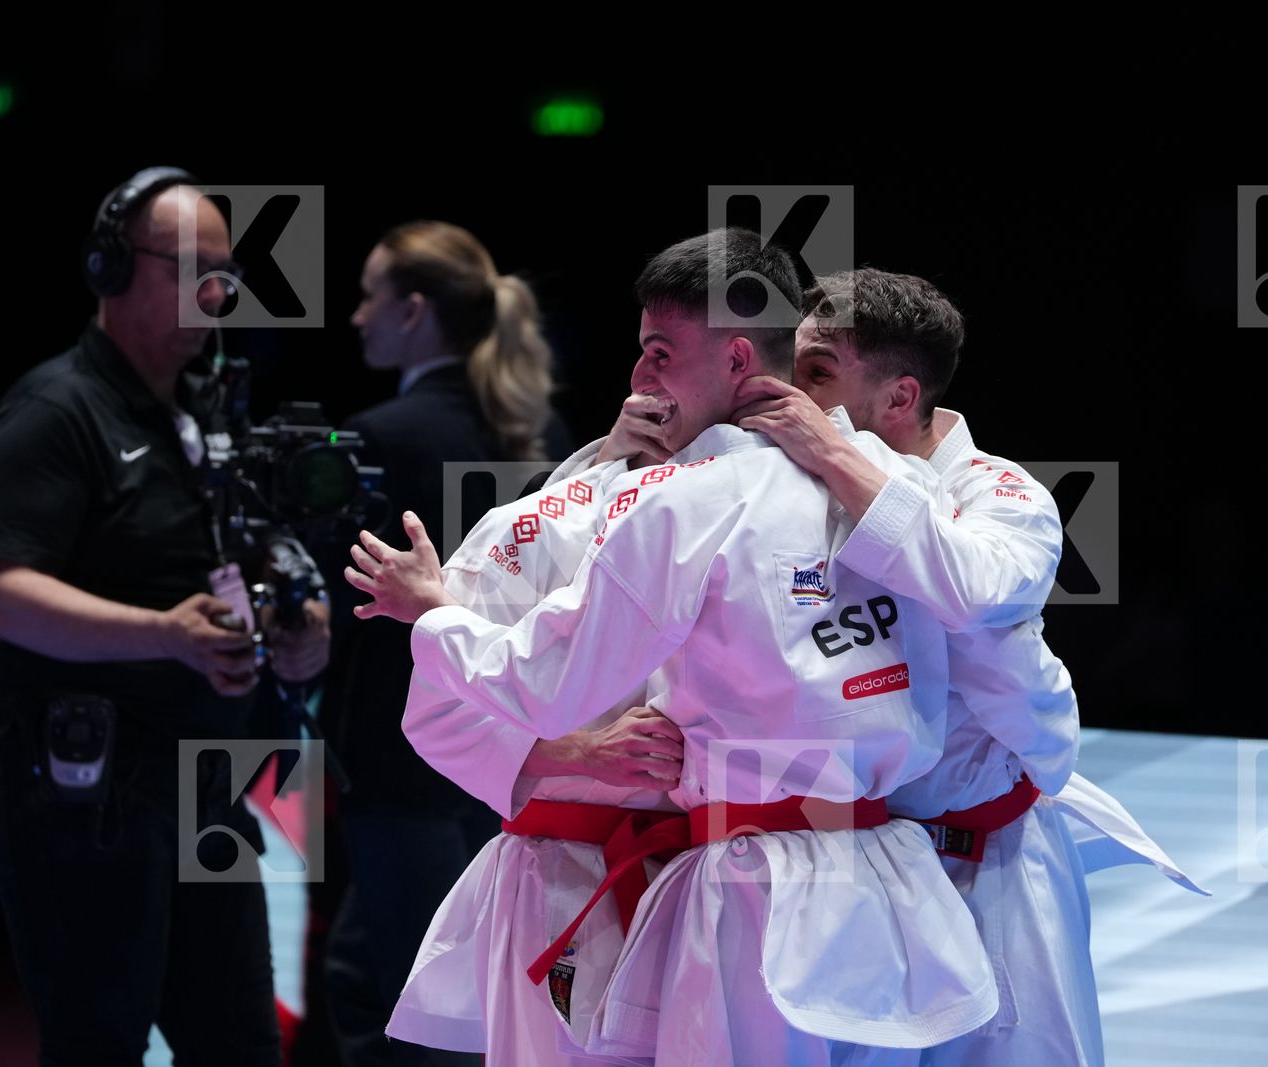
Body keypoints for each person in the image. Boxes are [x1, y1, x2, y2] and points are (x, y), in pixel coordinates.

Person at [350, 229, 1009, 1064]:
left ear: (737, 358)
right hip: (892, 879)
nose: (639, 379)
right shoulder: (892, 480)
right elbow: (994, 618)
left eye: (660, 353)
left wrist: (435, 613)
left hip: (749, 888)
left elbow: (540, 680)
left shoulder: (685, 504)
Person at [735, 267, 1207, 1065]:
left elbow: (976, 592)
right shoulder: (778, 493)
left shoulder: (1001, 494)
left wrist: (833, 455)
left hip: (990, 867)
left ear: (898, 398)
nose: (790, 396)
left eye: (817, 375)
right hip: (851, 872)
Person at [0, 167, 328, 1065]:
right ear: (109, 269)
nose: (215, 291)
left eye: (224, 272)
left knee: (240, 1043)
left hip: (205, 783)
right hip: (88, 797)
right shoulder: (56, 412)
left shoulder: (200, 416)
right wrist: (161, 633)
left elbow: (232, 561)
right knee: (99, 1042)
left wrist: (292, 626)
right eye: (188, 267)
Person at [322, 220, 572, 1066]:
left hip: (410, 764)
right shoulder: (544, 440)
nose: (356, 316)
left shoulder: (378, 438)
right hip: (520, 761)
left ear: (415, 312)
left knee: (413, 1005)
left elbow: (335, 606)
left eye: (370, 296)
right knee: (448, 987)